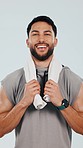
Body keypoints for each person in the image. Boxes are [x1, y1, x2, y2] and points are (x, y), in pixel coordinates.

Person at [0, 15, 83, 148]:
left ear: (55, 41)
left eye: (47, 34)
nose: (41, 39)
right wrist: (23, 103)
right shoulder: (13, 80)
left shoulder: (71, 80)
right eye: (35, 34)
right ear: (27, 42)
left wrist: (62, 103)